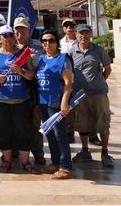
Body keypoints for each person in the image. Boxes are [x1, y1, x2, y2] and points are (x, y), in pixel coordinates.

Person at [0, 25, 40, 174]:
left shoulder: (23, 54)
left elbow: (31, 75)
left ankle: (25, 162)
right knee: (3, 131)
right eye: (4, 36)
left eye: (10, 35)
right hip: (0, 101)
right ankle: (6, 160)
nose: (7, 38)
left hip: (21, 100)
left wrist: (21, 70)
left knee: (22, 131)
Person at [70, 23, 113, 168]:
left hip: (98, 94)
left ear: (91, 34)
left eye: (86, 33)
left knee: (103, 123)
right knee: (83, 123)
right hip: (80, 96)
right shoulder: (71, 53)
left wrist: (99, 82)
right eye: (80, 33)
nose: (83, 36)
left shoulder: (99, 51)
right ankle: (85, 151)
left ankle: (105, 153)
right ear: (76, 35)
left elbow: (107, 69)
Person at [35, 29, 74, 179]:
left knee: (60, 135)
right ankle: (56, 162)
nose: (47, 43)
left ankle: (65, 166)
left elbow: (68, 83)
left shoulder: (63, 59)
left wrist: (64, 102)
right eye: (44, 41)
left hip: (56, 104)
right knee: (50, 135)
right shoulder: (41, 59)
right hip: (44, 102)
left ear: (56, 42)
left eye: (51, 40)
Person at [13, 16, 46, 166]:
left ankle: (38, 153)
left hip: (35, 91)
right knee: (16, 124)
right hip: (16, 91)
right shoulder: (10, 46)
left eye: (23, 29)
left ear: (29, 30)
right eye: (17, 29)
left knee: (34, 125)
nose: (20, 32)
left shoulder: (39, 47)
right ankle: (14, 152)